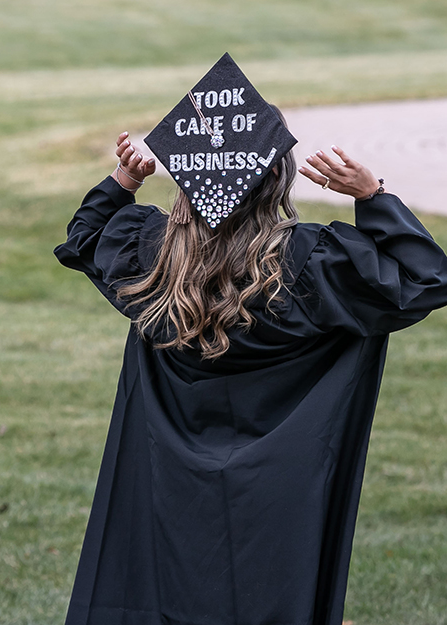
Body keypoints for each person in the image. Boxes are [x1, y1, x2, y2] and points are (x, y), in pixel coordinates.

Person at [54, 55, 447, 625]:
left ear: (188, 182)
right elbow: (425, 277)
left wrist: (124, 182)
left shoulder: (150, 257)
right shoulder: (313, 264)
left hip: (165, 485)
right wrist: (373, 195)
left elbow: (83, 237)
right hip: (282, 496)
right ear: (277, 179)